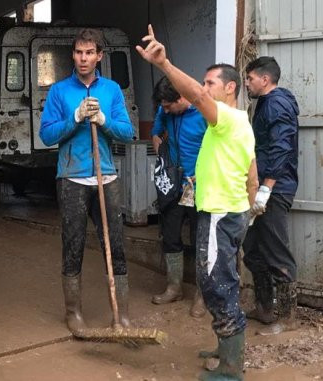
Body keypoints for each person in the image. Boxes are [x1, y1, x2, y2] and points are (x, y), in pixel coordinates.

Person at [137, 25, 259, 381]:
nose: (204, 90)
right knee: (222, 280)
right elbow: (252, 173)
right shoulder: (238, 124)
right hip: (230, 211)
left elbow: (196, 97)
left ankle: (231, 369)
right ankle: (224, 350)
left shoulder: (226, 119)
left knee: (216, 285)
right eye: (204, 83)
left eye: (210, 83)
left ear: (230, 88)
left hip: (220, 213)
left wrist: (164, 64)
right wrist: (248, 212)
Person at [39, 28, 135, 333]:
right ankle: (73, 312)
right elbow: (47, 134)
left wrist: (103, 121)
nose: (84, 58)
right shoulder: (59, 91)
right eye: (79, 52)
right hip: (72, 178)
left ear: (99, 56)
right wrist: (76, 117)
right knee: (73, 243)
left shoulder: (111, 90)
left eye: (90, 52)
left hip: (106, 177)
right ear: (73, 55)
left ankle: (121, 313)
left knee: (115, 244)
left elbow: (127, 132)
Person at [242, 56, 300, 335]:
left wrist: (266, 187)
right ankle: (264, 309)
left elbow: (282, 146)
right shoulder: (264, 104)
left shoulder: (276, 103)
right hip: (260, 188)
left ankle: (288, 319)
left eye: (250, 78)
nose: (247, 83)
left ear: (264, 79)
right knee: (253, 249)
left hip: (274, 189)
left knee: (277, 251)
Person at [150, 77, 208, 317]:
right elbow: (155, 134)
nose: (164, 111)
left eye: (168, 106)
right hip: (173, 187)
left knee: (201, 241)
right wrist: (164, 161)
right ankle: (174, 287)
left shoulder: (206, 112)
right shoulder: (165, 111)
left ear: (182, 98)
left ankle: (202, 296)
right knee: (171, 236)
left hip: (201, 187)